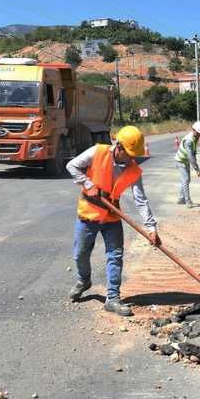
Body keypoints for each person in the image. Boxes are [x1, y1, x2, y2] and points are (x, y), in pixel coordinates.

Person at [66, 126, 161, 316]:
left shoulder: (133, 170)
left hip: (112, 216)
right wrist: (87, 184)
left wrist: (151, 227)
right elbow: (72, 166)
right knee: (80, 254)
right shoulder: (98, 152)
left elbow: (140, 200)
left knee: (115, 256)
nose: (132, 158)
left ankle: (113, 298)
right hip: (89, 214)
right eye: (130, 154)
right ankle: (84, 280)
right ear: (118, 146)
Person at [175, 120, 200, 207]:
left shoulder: (194, 138)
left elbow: (193, 154)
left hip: (185, 160)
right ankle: (188, 201)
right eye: (199, 133)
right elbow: (190, 157)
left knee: (186, 179)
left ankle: (181, 198)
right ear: (194, 130)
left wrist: (196, 166)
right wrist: (197, 169)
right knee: (186, 179)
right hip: (180, 161)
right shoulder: (189, 140)